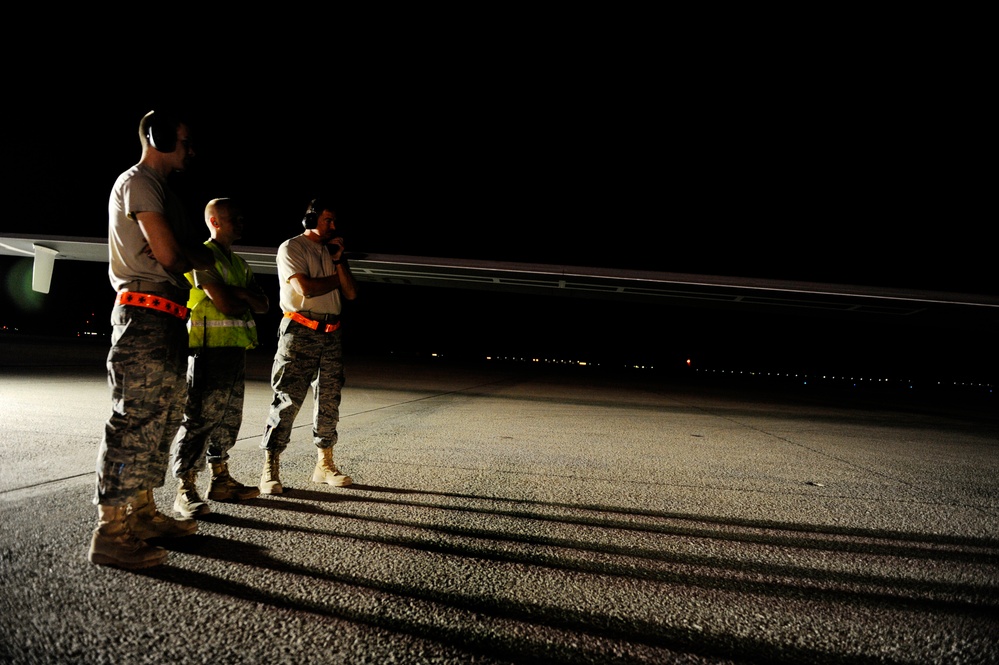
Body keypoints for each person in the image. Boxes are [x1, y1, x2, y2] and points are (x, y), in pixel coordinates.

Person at [89, 109, 214, 569]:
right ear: (159, 137)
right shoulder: (139, 182)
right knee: (134, 420)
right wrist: (179, 252)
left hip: (167, 318)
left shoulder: (165, 195)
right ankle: (110, 532)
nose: (191, 149)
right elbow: (171, 253)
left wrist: (180, 253)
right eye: (184, 140)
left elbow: (189, 254)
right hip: (142, 314)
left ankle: (140, 514)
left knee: (160, 421)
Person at [171, 198, 269, 518]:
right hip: (207, 350)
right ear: (215, 222)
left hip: (233, 350)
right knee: (199, 419)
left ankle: (221, 480)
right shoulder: (203, 256)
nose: (241, 222)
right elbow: (226, 304)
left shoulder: (239, 263)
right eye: (234, 218)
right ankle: (185, 488)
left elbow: (264, 304)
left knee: (228, 420)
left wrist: (237, 294)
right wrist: (241, 295)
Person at [258, 197, 358, 494]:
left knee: (329, 400)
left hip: (332, 332)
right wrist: (335, 279)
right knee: (287, 398)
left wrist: (339, 260)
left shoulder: (334, 253)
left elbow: (351, 293)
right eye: (328, 220)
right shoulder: (292, 247)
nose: (333, 226)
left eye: (334, 221)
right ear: (310, 220)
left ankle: (324, 464)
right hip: (300, 328)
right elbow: (305, 288)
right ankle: (270, 467)